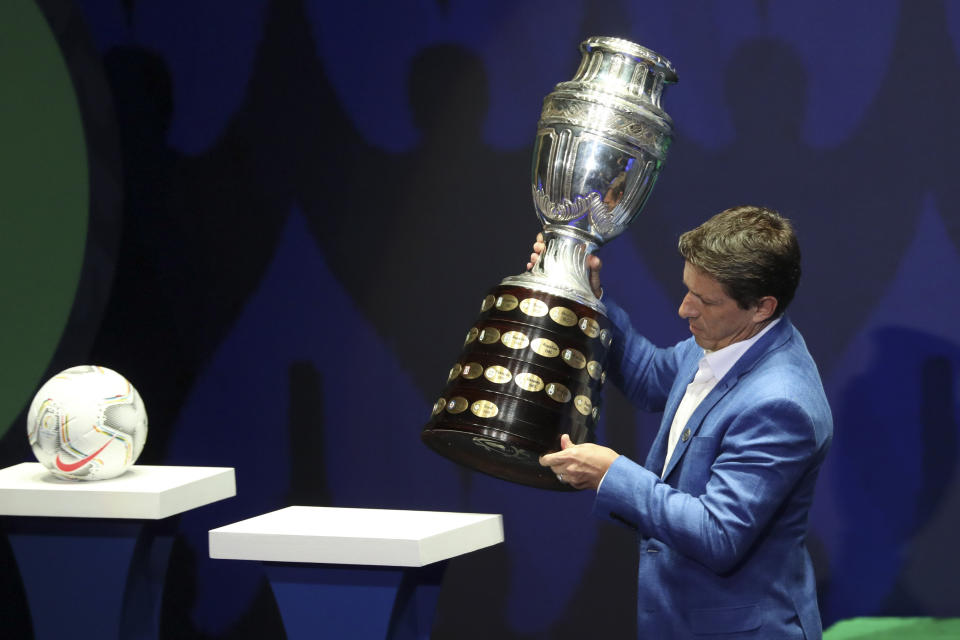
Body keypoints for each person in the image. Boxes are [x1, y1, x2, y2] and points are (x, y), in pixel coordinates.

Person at [536, 205, 833, 638]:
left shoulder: (780, 404)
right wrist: (591, 298)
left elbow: (718, 534)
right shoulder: (726, 339)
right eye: (687, 289)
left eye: (705, 300)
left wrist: (612, 475)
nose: (684, 309)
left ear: (761, 307)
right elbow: (649, 377)